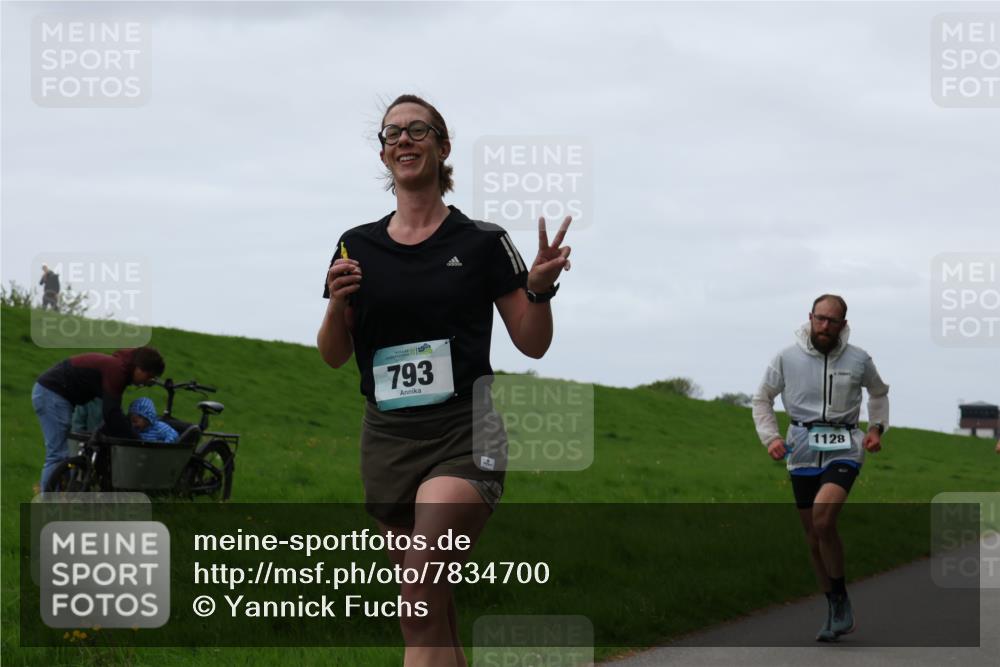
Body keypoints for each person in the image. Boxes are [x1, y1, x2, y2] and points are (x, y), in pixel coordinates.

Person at [317, 94, 571, 667]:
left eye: (417, 130)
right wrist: (335, 306)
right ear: (384, 155)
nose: (403, 140)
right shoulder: (355, 245)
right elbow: (334, 354)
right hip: (386, 439)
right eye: (391, 134)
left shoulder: (481, 241)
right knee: (431, 612)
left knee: (415, 601)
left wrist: (540, 290)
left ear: (442, 146)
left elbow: (531, 340)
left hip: (463, 434)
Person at [751, 294, 889, 642]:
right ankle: (834, 606)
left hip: (844, 446)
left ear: (844, 325)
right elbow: (762, 399)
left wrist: (875, 429)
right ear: (810, 317)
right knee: (813, 538)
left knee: (823, 518)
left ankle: (840, 596)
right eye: (820, 319)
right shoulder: (786, 357)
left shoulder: (859, 359)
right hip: (801, 449)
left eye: (833, 321)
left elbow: (878, 392)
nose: (825, 326)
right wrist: (771, 438)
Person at [33, 347, 165, 490]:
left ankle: (58, 499)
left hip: (52, 394)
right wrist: (136, 439)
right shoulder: (117, 371)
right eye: (149, 377)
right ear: (140, 369)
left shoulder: (119, 367)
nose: (146, 383)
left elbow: (112, 411)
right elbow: (111, 413)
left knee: (61, 456)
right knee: (57, 456)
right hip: (52, 395)